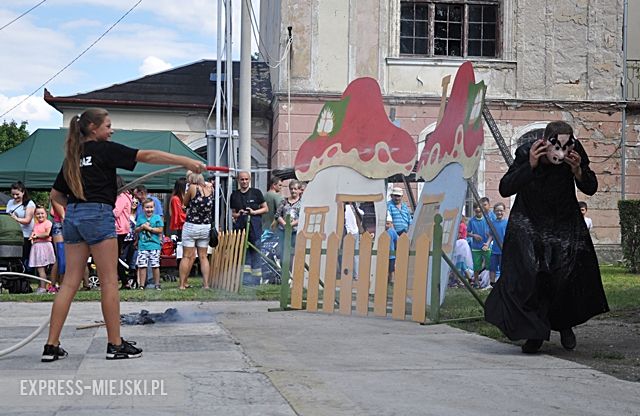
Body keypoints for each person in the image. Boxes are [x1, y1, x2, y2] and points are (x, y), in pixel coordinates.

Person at [44, 107, 205, 362]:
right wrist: (185, 161)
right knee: (109, 281)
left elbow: (55, 196)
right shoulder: (103, 150)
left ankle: (51, 346)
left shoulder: (73, 157)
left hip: (74, 215)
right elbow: (148, 156)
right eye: (108, 126)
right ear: (94, 129)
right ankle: (115, 344)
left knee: (69, 283)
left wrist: (71, 215)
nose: (111, 130)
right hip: (97, 214)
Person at [485, 121, 609, 354]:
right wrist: (530, 165)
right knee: (531, 276)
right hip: (530, 222)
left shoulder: (574, 152)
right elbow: (505, 188)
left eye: (566, 145)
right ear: (545, 141)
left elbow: (590, 187)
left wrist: (578, 171)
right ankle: (534, 334)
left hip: (563, 223)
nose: (561, 152)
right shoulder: (527, 152)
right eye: (556, 145)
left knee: (564, 276)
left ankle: (564, 325)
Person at [230, 171, 267, 285]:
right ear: (238, 180)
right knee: (242, 252)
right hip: (241, 227)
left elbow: (266, 209)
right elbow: (233, 214)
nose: (244, 181)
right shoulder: (234, 195)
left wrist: (254, 212)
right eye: (242, 179)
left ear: (249, 180)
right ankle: (245, 279)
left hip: (255, 227)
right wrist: (239, 213)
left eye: (246, 179)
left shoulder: (256, 193)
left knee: (255, 251)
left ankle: (256, 280)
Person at [178, 171, 214, 290]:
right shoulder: (210, 189)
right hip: (205, 226)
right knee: (203, 256)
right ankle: (206, 284)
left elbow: (185, 204)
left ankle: (182, 284)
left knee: (186, 256)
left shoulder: (193, 188)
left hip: (192, 225)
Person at [7, 181, 36, 274]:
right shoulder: (10, 202)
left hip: (25, 235)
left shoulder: (29, 204)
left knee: (24, 258)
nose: (15, 197)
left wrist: (16, 218)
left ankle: (25, 278)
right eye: (13, 194)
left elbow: (27, 220)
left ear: (23, 192)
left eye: (17, 194)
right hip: (12, 235)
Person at [135, 198, 164, 290]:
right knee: (142, 266)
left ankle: (157, 284)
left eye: (151, 207)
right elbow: (136, 230)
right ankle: (142, 285)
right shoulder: (140, 217)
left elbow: (160, 230)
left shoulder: (157, 218)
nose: (149, 209)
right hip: (143, 246)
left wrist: (149, 229)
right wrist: (142, 227)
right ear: (143, 208)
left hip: (154, 245)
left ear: (154, 208)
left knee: (155, 265)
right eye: (147, 207)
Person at [29, 206, 56, 294]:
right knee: (40, 269)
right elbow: (34, 233)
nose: (40, 215)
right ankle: (42, 285)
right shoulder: (36, 224)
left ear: (46, 214)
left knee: (43, 268)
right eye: (38, 214)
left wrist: (36, 235)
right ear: (35, 215)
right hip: (37, 247)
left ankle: (44, 287)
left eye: (42, 213)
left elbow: (47, 234)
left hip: (45, 247)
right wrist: (32, 238)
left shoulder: (48, 223)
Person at [274, 180, 302, 263]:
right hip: (283, 230)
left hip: (295, 231)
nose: (293, 191)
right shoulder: (284, 201)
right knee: (282, 251)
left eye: (295, 189)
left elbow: (303, 217)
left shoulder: (302, 202)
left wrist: (292, 224)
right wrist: (285, 224)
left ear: (299, 190)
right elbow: (277, 215)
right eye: (291, 189)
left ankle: (291, 271)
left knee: (293, 252)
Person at [114, 176, 133, 289]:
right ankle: (124, 280)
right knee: (114, 257)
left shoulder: (121, 197)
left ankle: (125, 281)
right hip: (122, 229)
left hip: (119, 229)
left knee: (113, 258)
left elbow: (116, 212)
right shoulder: (127, 196)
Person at [467, 203, 491, 287]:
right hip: (476, 247)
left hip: (486, 246)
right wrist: (474, 235)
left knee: (489, 264)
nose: (478, 209)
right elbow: (467, 233)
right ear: (474, 210)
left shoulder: (487, 219)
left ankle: (489, 281)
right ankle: (476, 281)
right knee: (477, 265)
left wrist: (488, 239)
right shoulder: (471, 221)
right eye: (475, 208)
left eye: (479, 207)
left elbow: (492, 232)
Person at [486, 202, 508, 288]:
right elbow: (491, 235)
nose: (499, 212)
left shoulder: (507, 223)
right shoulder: (493, 223)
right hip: (494, 250)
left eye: (501, 210)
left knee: (503, 268)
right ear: (494, 211)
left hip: (503, 250)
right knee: (492, 268)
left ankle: (503, 285)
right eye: (497, 210)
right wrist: (487, 244)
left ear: (504, 211)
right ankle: (492, 284)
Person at [344, 202, 365, 280]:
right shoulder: (352, 206)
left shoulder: (344, 207)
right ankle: (356, 275)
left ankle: (347, 274)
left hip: (347, 232)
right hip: (355, 231)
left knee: (344, 254)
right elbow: (362, 213)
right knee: (355, 255)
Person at [49, 200, 66, 293]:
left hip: (68, 223)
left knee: (62, 258)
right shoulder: (58, 193)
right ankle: (55, 285)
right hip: (60, 224)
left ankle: (60, 285)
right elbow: (52, 211)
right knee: (61, 257)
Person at [385, 213, 399, 284]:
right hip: (385, 255)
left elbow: (397, 240)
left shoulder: (392, 231)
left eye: (388, 223)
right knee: (385, 269)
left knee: (391, 270)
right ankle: (387, 280)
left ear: (391, 224)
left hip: (391, 256)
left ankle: (391, 281)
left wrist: (396, 250)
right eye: (385, 223)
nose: (386, 225)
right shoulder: (383, 231)